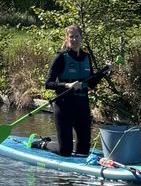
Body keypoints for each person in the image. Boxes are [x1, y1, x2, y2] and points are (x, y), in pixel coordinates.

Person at [38, 24, 109, 157]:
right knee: (65, 151)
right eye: (71, 37)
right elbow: (48, 84)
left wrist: (104, 71)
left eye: (77, 36)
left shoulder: (87, 57)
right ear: (67, 38)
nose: (74, 39)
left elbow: (91, 83)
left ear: (81, 38)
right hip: (64, 106)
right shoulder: (61, 57)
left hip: (81, 105)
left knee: (83, 151)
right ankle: (42, 143)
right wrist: (67, 85)